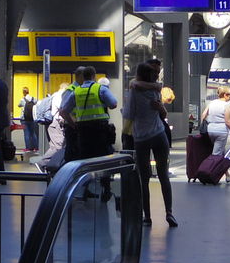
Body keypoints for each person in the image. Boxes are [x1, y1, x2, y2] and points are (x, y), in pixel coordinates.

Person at [124, 61, 176, 228]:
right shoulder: (155, 90)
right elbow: (162, 111)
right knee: (163, 176)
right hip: (159, 134)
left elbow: (129, 114)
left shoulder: (133, 92)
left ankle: (147, 216)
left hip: (141, 138)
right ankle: (169, 212)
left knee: (143, 179)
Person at [59, 66, 118, 161]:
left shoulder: (76, 91)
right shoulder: (100, 89)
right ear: (93, 76)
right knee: (101, 157)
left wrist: (74, 125)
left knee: (84, 157)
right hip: (99, 129)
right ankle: (101, 176)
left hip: (83, 130)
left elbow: (63, 111)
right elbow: (113, 104)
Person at [19, 87, 38, 153]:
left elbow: (19, 105)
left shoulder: (22, 100)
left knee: (26, 133)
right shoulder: (34, 99)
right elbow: (37, 104)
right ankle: (36, 147)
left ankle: (28, 148)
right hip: (32, 118)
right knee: (33, 133)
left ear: (23, 92)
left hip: (24, 119)